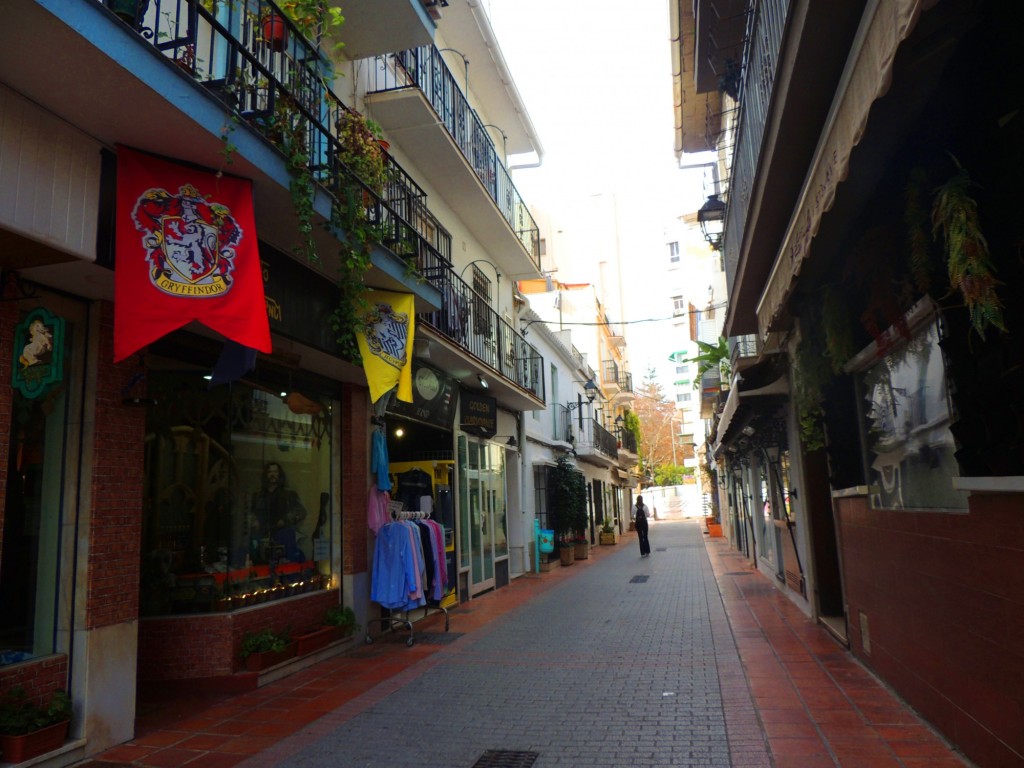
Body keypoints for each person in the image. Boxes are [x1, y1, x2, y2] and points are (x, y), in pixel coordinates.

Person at [250, 462, 307, 563]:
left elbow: (301, 512)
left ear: (279, 474)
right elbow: (250, 512)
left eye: (275, 472)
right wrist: (254, 521)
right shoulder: (258, 495)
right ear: (266, 475)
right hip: (263, 535)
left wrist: (285, 520)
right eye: (269, 472)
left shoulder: (289, 494)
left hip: (284, 535)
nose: (272, 474)